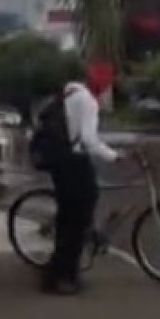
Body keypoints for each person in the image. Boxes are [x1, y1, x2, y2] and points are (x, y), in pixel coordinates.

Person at [40, 77, 121, 296]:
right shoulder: (87, 101)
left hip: (60, 162)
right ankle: (63, 277)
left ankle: (57, 272)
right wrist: (115, 157)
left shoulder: (68, 96)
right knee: (77, 221)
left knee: (67, 219)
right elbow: (88, 139)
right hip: (74, 164)